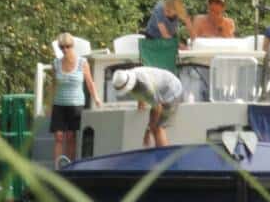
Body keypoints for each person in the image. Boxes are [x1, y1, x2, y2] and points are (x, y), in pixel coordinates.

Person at [51, 31, 100, 166]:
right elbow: (53, 85)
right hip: (59, 103)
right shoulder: (56, 63)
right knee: (59, 137)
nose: (65, 50)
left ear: (73, 46)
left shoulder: (82, 62)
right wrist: (48, 105)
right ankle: (58, 167)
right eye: (62, 47)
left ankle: (70, 166)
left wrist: (96, 98)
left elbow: (90, 82)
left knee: (71, 137)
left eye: (67, 46)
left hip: (76, 103)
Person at [110, 66, 183, 148]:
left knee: (157, 127)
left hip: (172, 89)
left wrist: (148, 131)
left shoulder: (146, 88)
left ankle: (162, 157)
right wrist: (141, 101)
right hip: (163, 83)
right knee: (154, 125)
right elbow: (137, 88)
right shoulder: (125, 76)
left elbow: (157, 108)